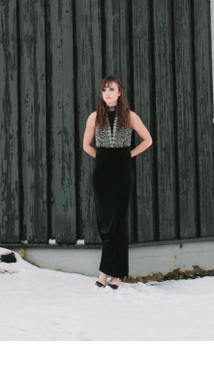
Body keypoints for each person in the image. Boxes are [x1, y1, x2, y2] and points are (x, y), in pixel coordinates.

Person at [80, 75, 152, 289]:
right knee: (105, 223)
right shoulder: (94, 117)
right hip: (102, 174)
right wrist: (103, 159)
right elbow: (86, 145)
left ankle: (110, 275)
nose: (108, 93)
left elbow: (147, 139)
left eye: (112, 89)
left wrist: (127, 156)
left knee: (118, 223)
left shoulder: (129, 116)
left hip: (122, 174)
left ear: (119, 93)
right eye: (104, 90)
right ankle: (110, 271)